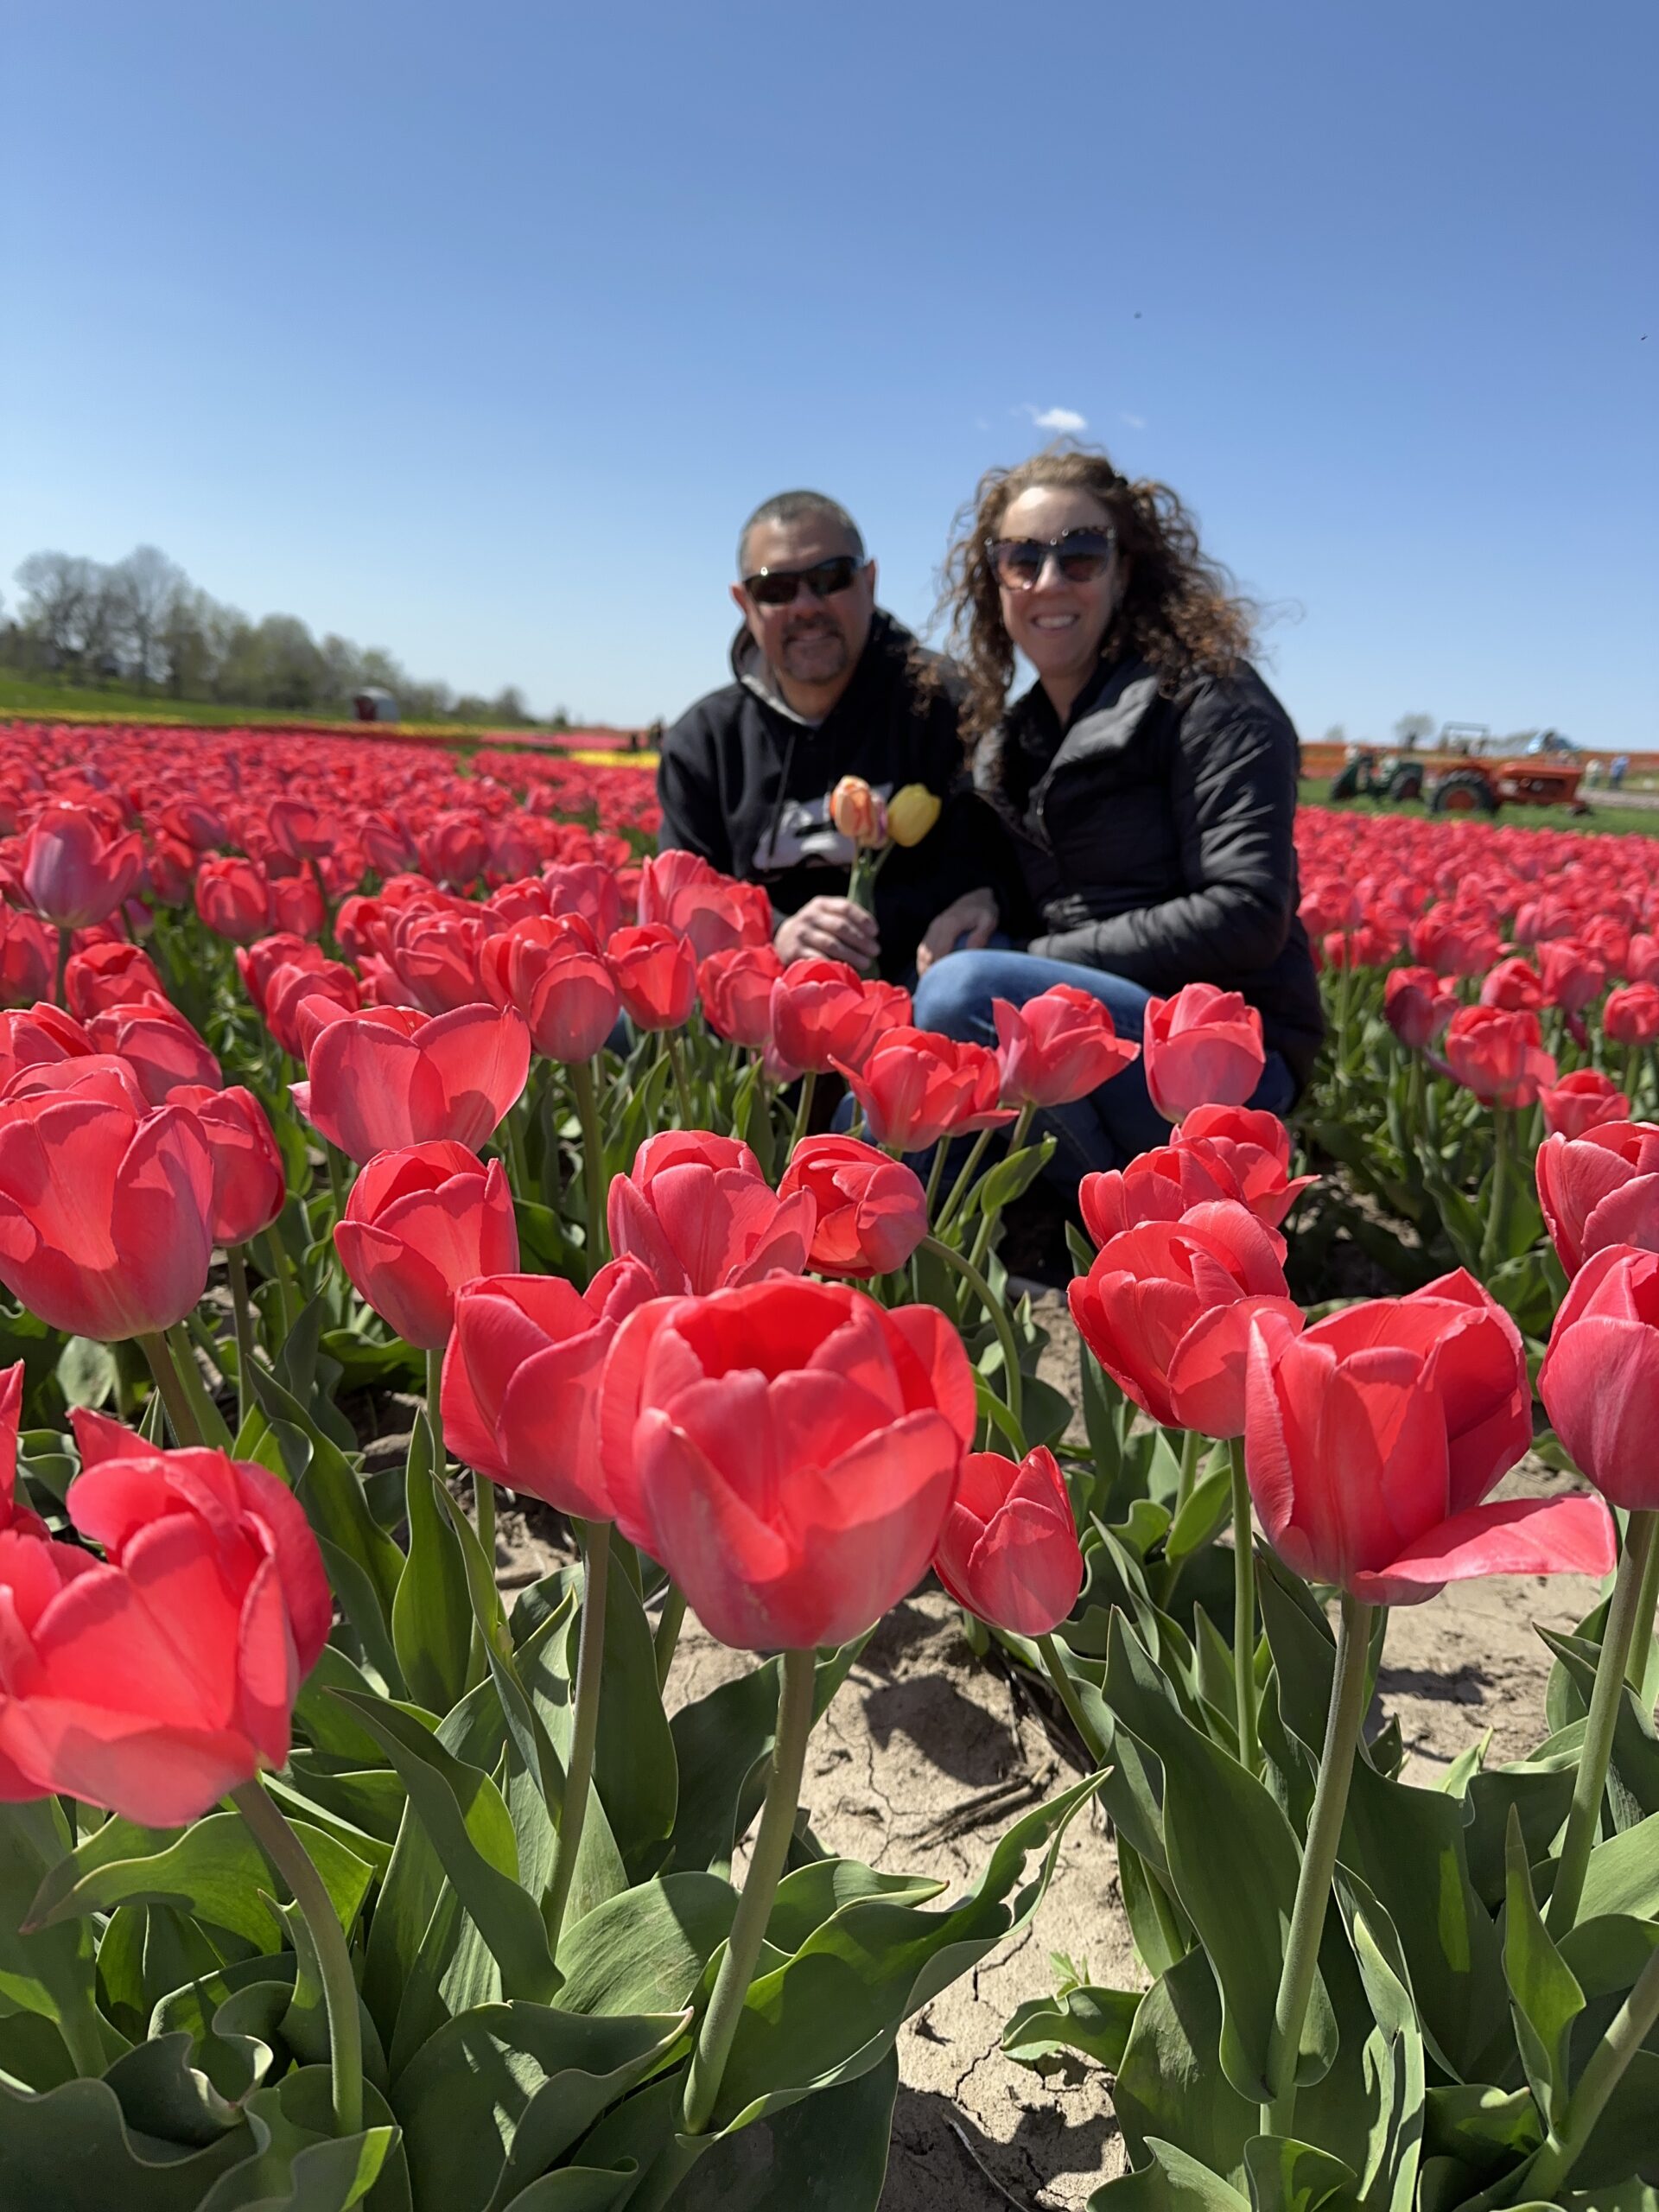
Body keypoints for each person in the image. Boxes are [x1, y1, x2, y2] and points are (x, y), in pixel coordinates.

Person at [912, 445, 1324, 1175]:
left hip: (1218, 1064)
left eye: (1080, 555)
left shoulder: (1211, 701)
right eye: (1021, 559)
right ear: (995, 582)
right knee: (885, 1111)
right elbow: (1043, 882)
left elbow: (1246, 912)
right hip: (1100, 1033)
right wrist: (982, 896)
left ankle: (1130, 1211)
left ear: (1124, 570)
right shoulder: (1016, 738)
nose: (1048, 580)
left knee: (966, 993)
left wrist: (1027, 961)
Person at [656, 491, 1014, 982]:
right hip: (760, 989)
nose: (805, 606)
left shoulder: (947, 703)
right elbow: (687, 894)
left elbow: (994, 858)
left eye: (831, 578)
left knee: (971, 976)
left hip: (913, 977)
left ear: (869, 582)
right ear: (744, 603)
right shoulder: (704, 742)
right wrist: (777, 932)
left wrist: (976, 894)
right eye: (775, 588)